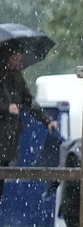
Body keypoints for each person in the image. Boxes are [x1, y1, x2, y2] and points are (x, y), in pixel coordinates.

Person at [0, 42, 59, 205]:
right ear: (6, 57)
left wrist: (47, 120)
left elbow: (28, 101)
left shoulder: (16, 77)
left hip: (8, 139)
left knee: (2, 180)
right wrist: (5, 107)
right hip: (3, 134)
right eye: (15, 58)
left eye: (19, 58)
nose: (18, 62)